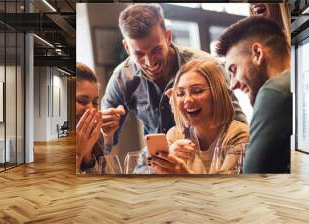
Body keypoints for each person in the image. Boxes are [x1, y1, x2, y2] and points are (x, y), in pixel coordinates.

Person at [100, 4, 246, 149]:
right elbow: (103, 146)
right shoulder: (122, 78)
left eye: (156, 50)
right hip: (153, 159)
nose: (150, 62)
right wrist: (106, 134)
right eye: (139, 54)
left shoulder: (208, 66)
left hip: (207, 156)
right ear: (127, 47)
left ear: (168, 37)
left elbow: (238, 127)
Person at [216, 16, 292, 173]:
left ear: (257, 53)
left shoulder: (273, 92)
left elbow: (252, 178)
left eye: (233, 70)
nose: (232, 85)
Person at [149, 59, 250, 174]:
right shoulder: (175, 135)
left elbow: (225, 189)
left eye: (197, 91)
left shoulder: (239, 135)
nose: (187, 99)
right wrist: (167, 162)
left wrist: (184, 174)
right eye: (180, 94)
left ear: (217, 94)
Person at [76, 62, 125, 173]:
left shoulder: (91, 137)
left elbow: (104, 171)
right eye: (82, 101)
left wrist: (108, 135)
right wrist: (78, 154)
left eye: (94, 102)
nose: (91, 109)